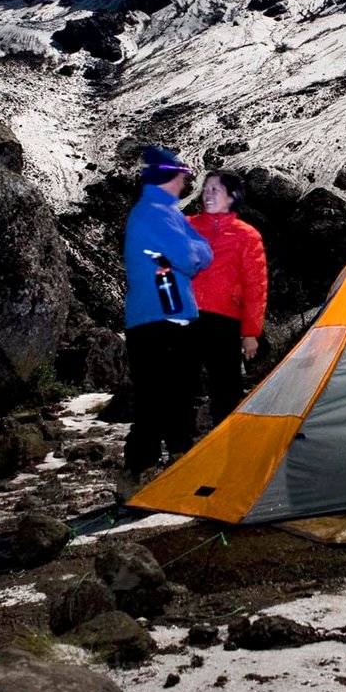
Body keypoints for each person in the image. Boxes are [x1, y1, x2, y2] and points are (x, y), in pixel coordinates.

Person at [121, 144, 212, 491]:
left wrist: (188, 252)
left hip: (165, 316)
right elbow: (192, 258)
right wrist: (188, 253)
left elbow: (201, 252)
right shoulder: (154, 213)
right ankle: (142, 470)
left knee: (172, 394)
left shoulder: (165, 214)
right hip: (161, 318)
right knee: (160, 395)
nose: (185, 184)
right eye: (181, 177)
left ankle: (165, 465)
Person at [188, 170, 269, 427]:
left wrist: (250, 333)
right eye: (207, 188)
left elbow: (255, 287)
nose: (209, 193)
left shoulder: (247, 236)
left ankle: (226, 449)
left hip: (224, 322)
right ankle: (180, 454)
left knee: (226, 390)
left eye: (217, 189)